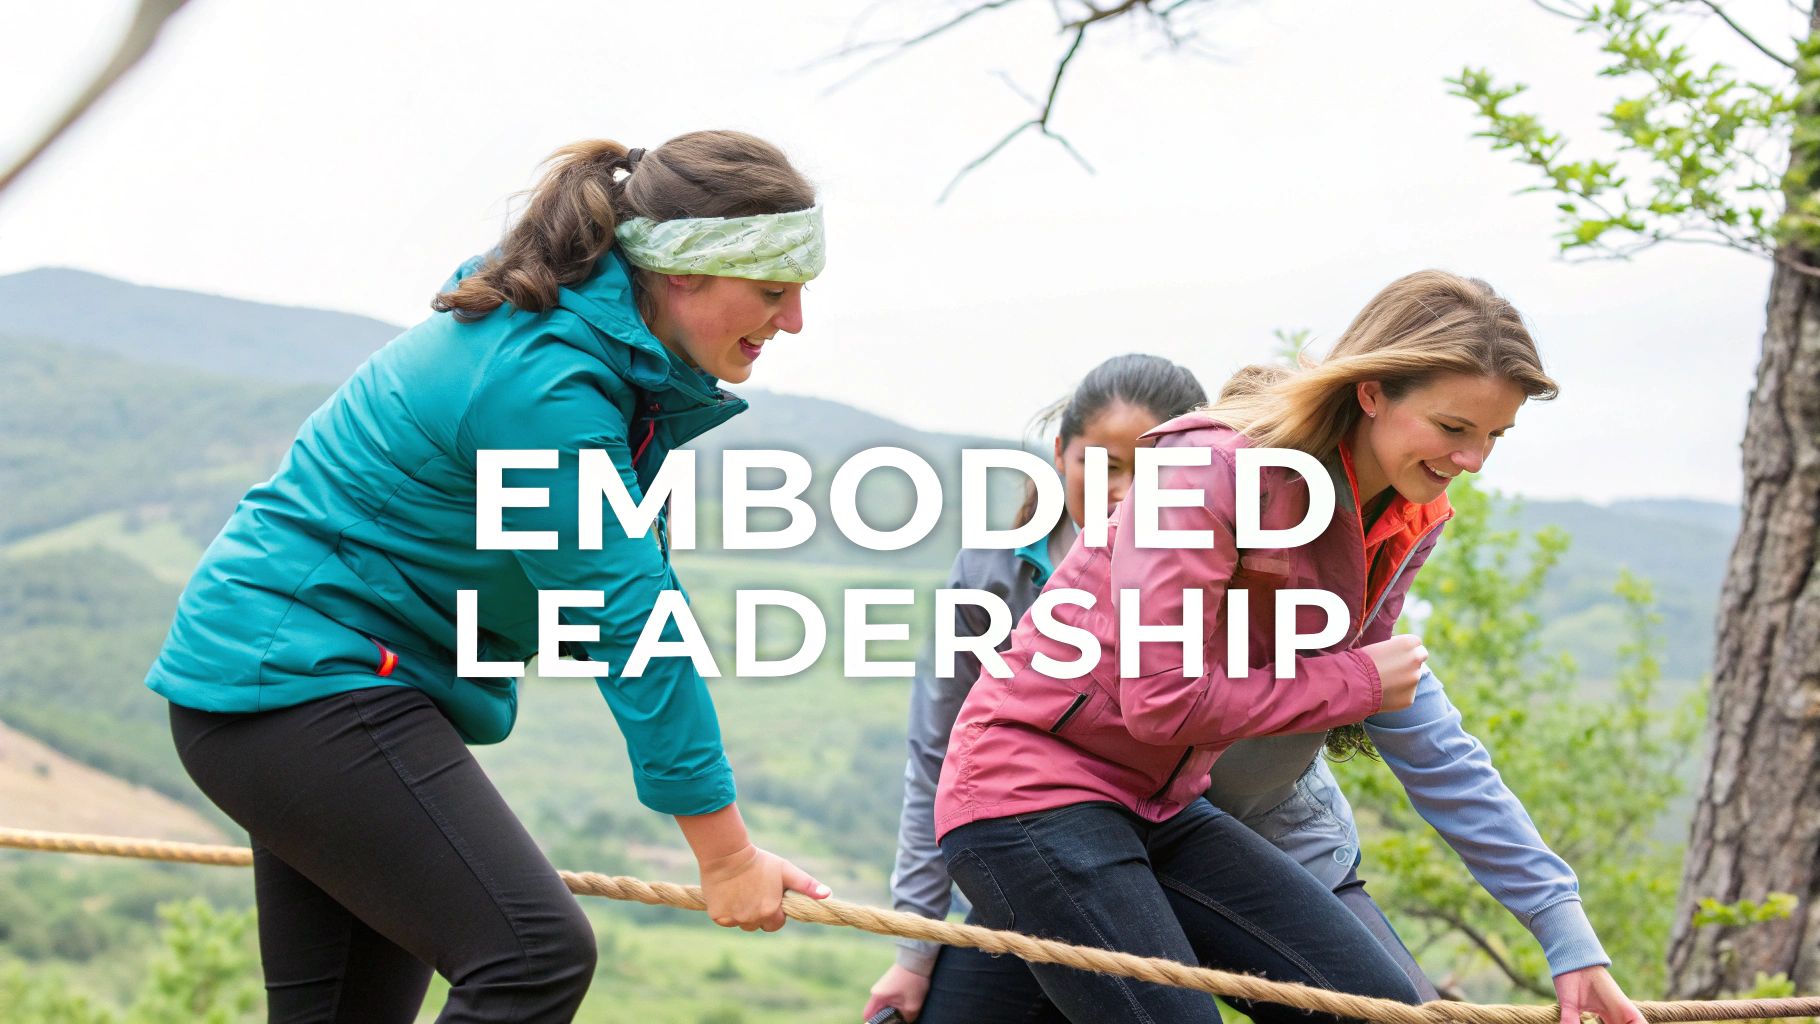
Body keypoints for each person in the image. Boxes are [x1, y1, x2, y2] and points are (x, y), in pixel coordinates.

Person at [146, 132, 831, 1023]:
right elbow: (628, 619)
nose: (794, 323)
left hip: (301, 695)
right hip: (300, 686)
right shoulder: (542, 383)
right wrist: (727, 855)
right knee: (532, 955)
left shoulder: (594, 362)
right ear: (682, 271)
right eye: (773, 292)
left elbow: (617, 591)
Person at [931, 271, 1650, 1024]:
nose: (1472, 460)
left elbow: (1425, 735)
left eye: (1493, 436)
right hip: (1030, 797)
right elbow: (1164, 701)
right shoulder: (1210, 471)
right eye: (1453, 428)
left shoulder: (1400, 516)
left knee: (1372, 1013)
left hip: (1164, 802)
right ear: (1372, 392)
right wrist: (1361, 683)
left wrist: (1564, 931)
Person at [865, 356, 1444, 1023]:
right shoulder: (994, 573)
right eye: (1104, 465)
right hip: (1043, 817)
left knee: (1375, 1008)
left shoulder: (1241, 542)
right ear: (1060, 456)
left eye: (1146, 473)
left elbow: (1348, 724)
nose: (1125, 491)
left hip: (1175, 814)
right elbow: (938, 755)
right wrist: (914, 948)